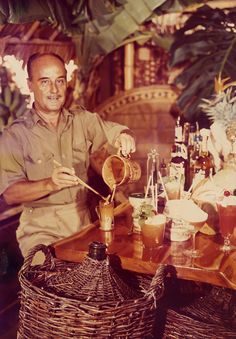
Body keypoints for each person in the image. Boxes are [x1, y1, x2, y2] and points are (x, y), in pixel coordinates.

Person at [0, 52, 136, 258]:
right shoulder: (14, 135)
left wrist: (124, 136)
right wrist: (51, 183)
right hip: (40, 228)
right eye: (45, 82)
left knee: (107, 273)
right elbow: (10, 194)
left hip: (82, 223)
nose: (54, 90)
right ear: (30, 85)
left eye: (59, 81)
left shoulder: (82, 119)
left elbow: (114, 131)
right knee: (53, 278)